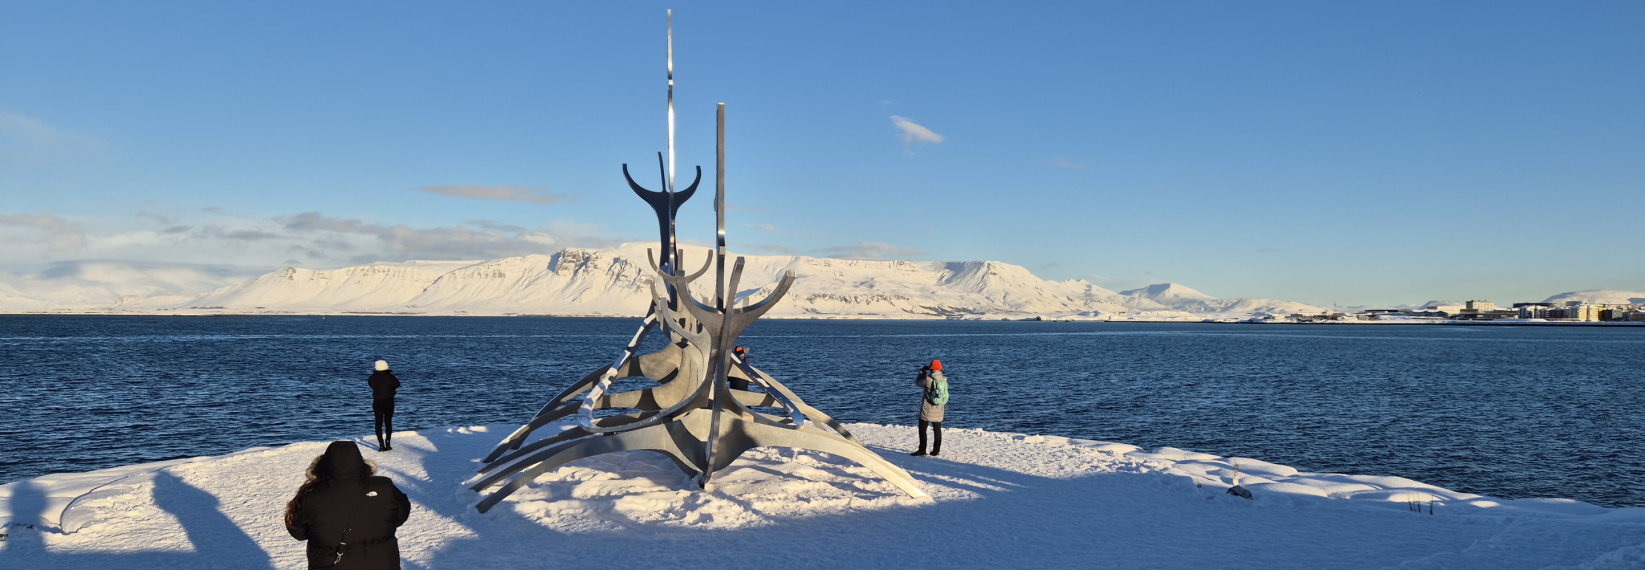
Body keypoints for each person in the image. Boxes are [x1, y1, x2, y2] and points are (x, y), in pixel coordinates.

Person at [285, 441, 410, 570]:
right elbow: (402, 514)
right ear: (360, 463)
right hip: (382, 563)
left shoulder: (309, 495)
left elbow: (297, 531)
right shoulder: (384, 486)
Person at [912, 359, 948, 457]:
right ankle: (936, 450)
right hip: (939, 408)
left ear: (931, 368)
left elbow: (918, 383)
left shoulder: (928, 379)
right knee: (937, 429)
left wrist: (922, 371)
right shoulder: (944, 379)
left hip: (927, 408)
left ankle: (922, 449)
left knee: (923, 429)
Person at [367, 360, 400, 451]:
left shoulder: (372, 378)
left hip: (377, 401)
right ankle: (388, 444)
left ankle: (381, 445)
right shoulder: (390, 377)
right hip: (389, 401)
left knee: (378, 423)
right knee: (388, 422)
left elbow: (371, 385)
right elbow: (397, 384)